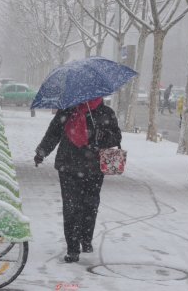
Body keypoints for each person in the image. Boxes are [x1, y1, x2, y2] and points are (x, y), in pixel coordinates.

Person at [33, 97, 122, 263]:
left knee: (90, 204)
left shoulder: (106, 112)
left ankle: (86, 239)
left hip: (94, 167)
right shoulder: (68, 110)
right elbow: (53, 133)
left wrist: (99, 136)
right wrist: (42, 152)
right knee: (71, 206)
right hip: (68, 166)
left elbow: (116, 137)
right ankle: (73, 248)